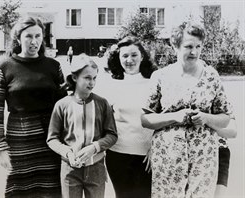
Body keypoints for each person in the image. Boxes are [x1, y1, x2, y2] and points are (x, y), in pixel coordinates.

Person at [141, 22, 233, 198]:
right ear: (175, 46)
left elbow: (225, 118)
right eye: (188, 46)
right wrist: (175, 117)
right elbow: (145, 119)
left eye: (198, 46)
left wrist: (206, 118)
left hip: (203, 156)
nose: (194, 52)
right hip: (168, 155)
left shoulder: (211, 76)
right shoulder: (161, 76)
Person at [0, 17, 66, 198]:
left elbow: (64, 106)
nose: (34, 41)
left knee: (51, 190)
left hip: (51, 141)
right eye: (28, 36)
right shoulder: (4, 68)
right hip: (20, 144)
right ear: (18, 39)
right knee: (19, 191)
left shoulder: (54, 66)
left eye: (38, 36)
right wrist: (0, 148)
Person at [47, 54, 118, 198]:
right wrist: (67, 152)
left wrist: (95, 147)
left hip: (96, 168)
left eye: (94, 78)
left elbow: (112, 135)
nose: (92, 82)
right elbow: (52, 139)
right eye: (87, 78)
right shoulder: (62, 105)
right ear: (74, 78)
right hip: (70, 170)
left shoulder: (102, 103)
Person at [95, 36, 155, 198]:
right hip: (118, 156)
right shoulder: (111, 85)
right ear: (118, 58)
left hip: (148, 157)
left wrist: (156, 148)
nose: (129, 60)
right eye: (125, 56)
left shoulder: (154, 82)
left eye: (134, 55)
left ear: (142, 56)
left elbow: (163, 118)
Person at [214, 117, 237, 198]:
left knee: (219, 192)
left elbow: (233, 133)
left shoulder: (225, 108)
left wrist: (208, 122)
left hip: (221, 151)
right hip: (197, 152)